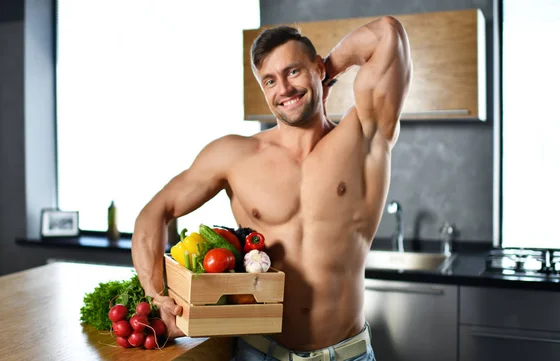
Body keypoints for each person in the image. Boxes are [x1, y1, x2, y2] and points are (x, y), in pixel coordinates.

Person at [132, 14, 412, 361]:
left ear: (318, 68)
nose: (284, 88)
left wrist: (327, 69)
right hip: (260, 352)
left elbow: (387, 33)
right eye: (269, 80)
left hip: (346, 354)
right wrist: (156, 294)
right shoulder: (235, 156)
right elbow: (155, 212)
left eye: (293, 71)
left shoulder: (365, 136)